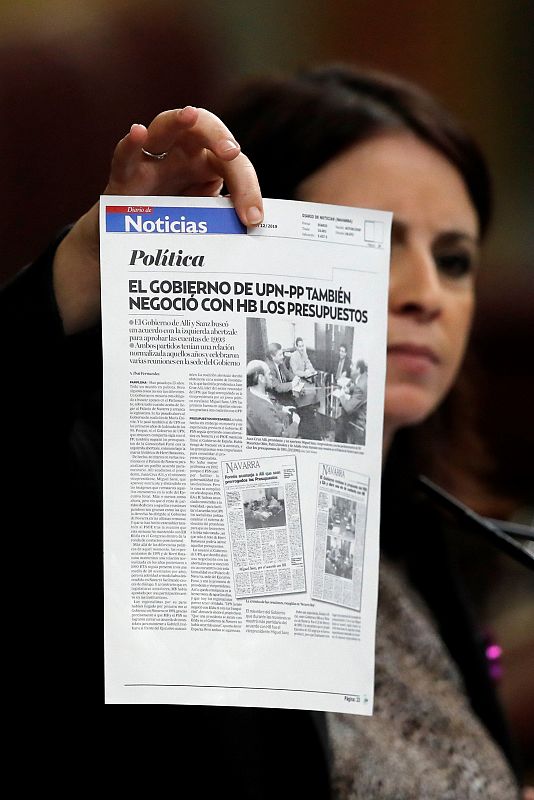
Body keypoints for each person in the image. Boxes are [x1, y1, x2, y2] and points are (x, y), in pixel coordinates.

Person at [4, 67, 531, 797]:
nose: (427, 295)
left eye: (454, 260)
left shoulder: (432, 536)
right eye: (376, 246)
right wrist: (92, 266)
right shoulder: (111, 506)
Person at [246, 359, 300, 437]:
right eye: (269, 374)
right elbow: (283, 436)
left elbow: (266, 401)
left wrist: (282, 408)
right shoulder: (264, 410)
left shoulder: (249, 392)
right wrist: (295, 422)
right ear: (261, 378)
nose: (271, 377)